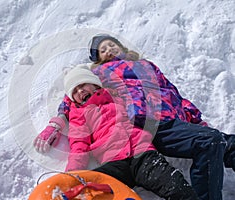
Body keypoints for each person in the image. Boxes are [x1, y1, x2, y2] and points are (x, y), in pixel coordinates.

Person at [34, 34, 235, 200]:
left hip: (171, 121)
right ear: (97, 58)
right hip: (145, 122)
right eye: (103, 50)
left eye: (112, 45)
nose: (109, 50)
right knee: (210, 141)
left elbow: (173, 94)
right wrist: (58, 121)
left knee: (226, 143)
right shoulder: (99, 72)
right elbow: (76, 96)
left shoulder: (147, 66)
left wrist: (195, 119)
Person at [63, 65, 199, 199]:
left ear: (95, 83)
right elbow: (78, 144)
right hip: (113, 161)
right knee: (91, 190)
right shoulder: (78, 114)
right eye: (74, 91)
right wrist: (73, 173)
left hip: (142, 153)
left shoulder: (117, 95)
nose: (80, 91)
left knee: (176, 186)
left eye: (82, 85)